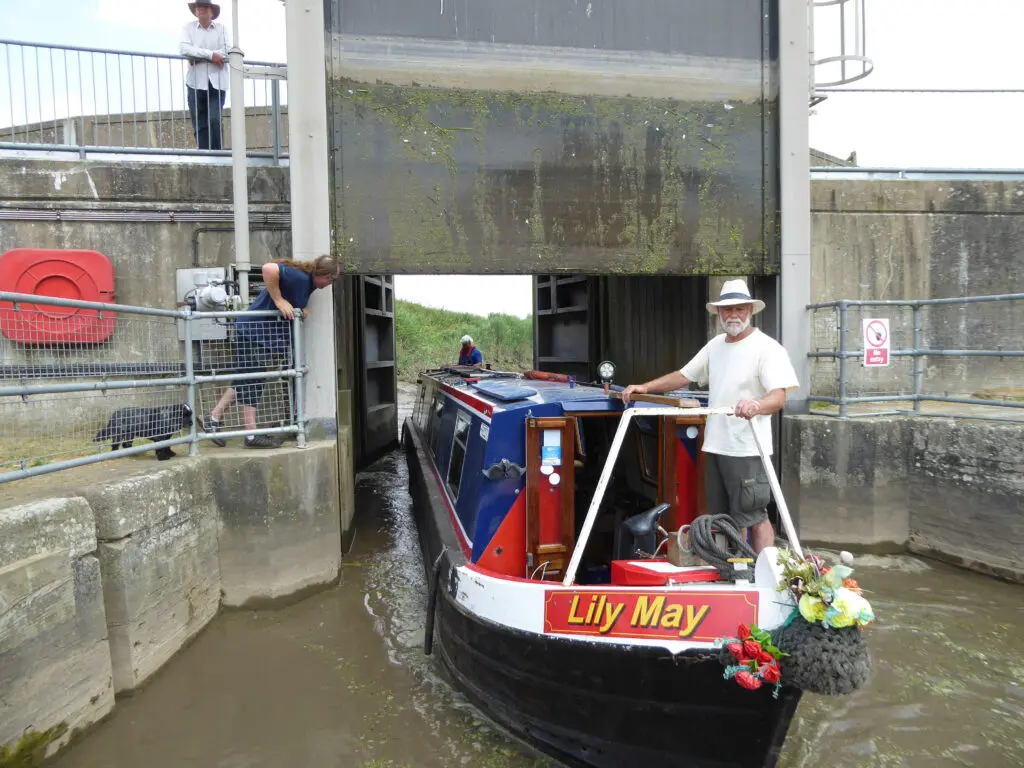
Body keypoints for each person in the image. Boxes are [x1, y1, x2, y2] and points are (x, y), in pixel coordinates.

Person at [621, 279, 799, 553]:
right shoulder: (715, 346)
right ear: (718, 313)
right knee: (724, 518)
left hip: (748, 448)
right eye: (727, 310)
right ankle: (734, 570)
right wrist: (645, 387)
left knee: (754, 515)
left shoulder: (768, 348)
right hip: (716, 445)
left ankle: (764, 574)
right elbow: (684, 376)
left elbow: (779, 396)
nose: (733, 315)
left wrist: (755, 405)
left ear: (750, 310)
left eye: (739, 309)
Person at [208, 255, 341, 449]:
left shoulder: (307, 284)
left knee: (245, 378)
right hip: (254, 332)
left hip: (257, 334)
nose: (331, 283)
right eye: (331, 279)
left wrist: (298, 309)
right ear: (321, 273)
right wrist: (278, 301)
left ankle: (214, 417)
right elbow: (269, 268)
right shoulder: (300, 278)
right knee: (254, 379)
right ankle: (251, 434)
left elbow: (292, 298)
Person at [179, 1, 229, 150]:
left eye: (205, 7)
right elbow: (183, 48)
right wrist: (211, 55)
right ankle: (204, 156)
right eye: (199, 7)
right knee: (199, 124)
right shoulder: (188, 28)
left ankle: (217, 155)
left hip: (216, 82)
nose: (201, 9)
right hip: (195, 82)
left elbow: (227, 51)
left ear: (212, 12)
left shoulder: (221, 29)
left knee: (214, 120)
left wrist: (198, 56)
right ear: (195, 11)